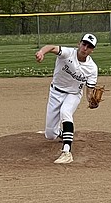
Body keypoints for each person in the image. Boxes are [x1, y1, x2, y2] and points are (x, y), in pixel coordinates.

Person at [35, 33, 99, 164]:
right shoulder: (68, 53)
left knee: (66, 113)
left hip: (73, 94)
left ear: (92, 50)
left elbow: (89, 89)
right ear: (79, 44)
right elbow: (52, 48)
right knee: (50, 134)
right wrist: (42, 52)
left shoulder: (92, 68)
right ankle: (62, 133)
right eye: (84, 44)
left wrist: (91, 101)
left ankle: (66, 151)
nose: (85, 48)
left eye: (89, 46)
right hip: (55, 93)